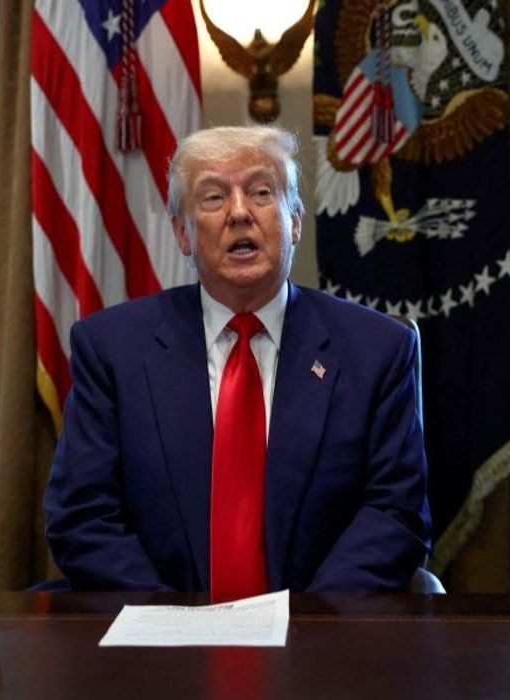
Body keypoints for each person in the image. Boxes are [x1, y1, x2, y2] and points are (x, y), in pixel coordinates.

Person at [43, 126, 431, 597]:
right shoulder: (111, 350)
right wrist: (170, 622)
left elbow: (394, 514)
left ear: (294, 222)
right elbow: (83, 516)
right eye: (213, 197)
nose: (240, 212)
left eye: (262, 192)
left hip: (318, 627)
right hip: (159, 627)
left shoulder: (377, 350)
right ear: (182, 233)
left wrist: (312, 622)